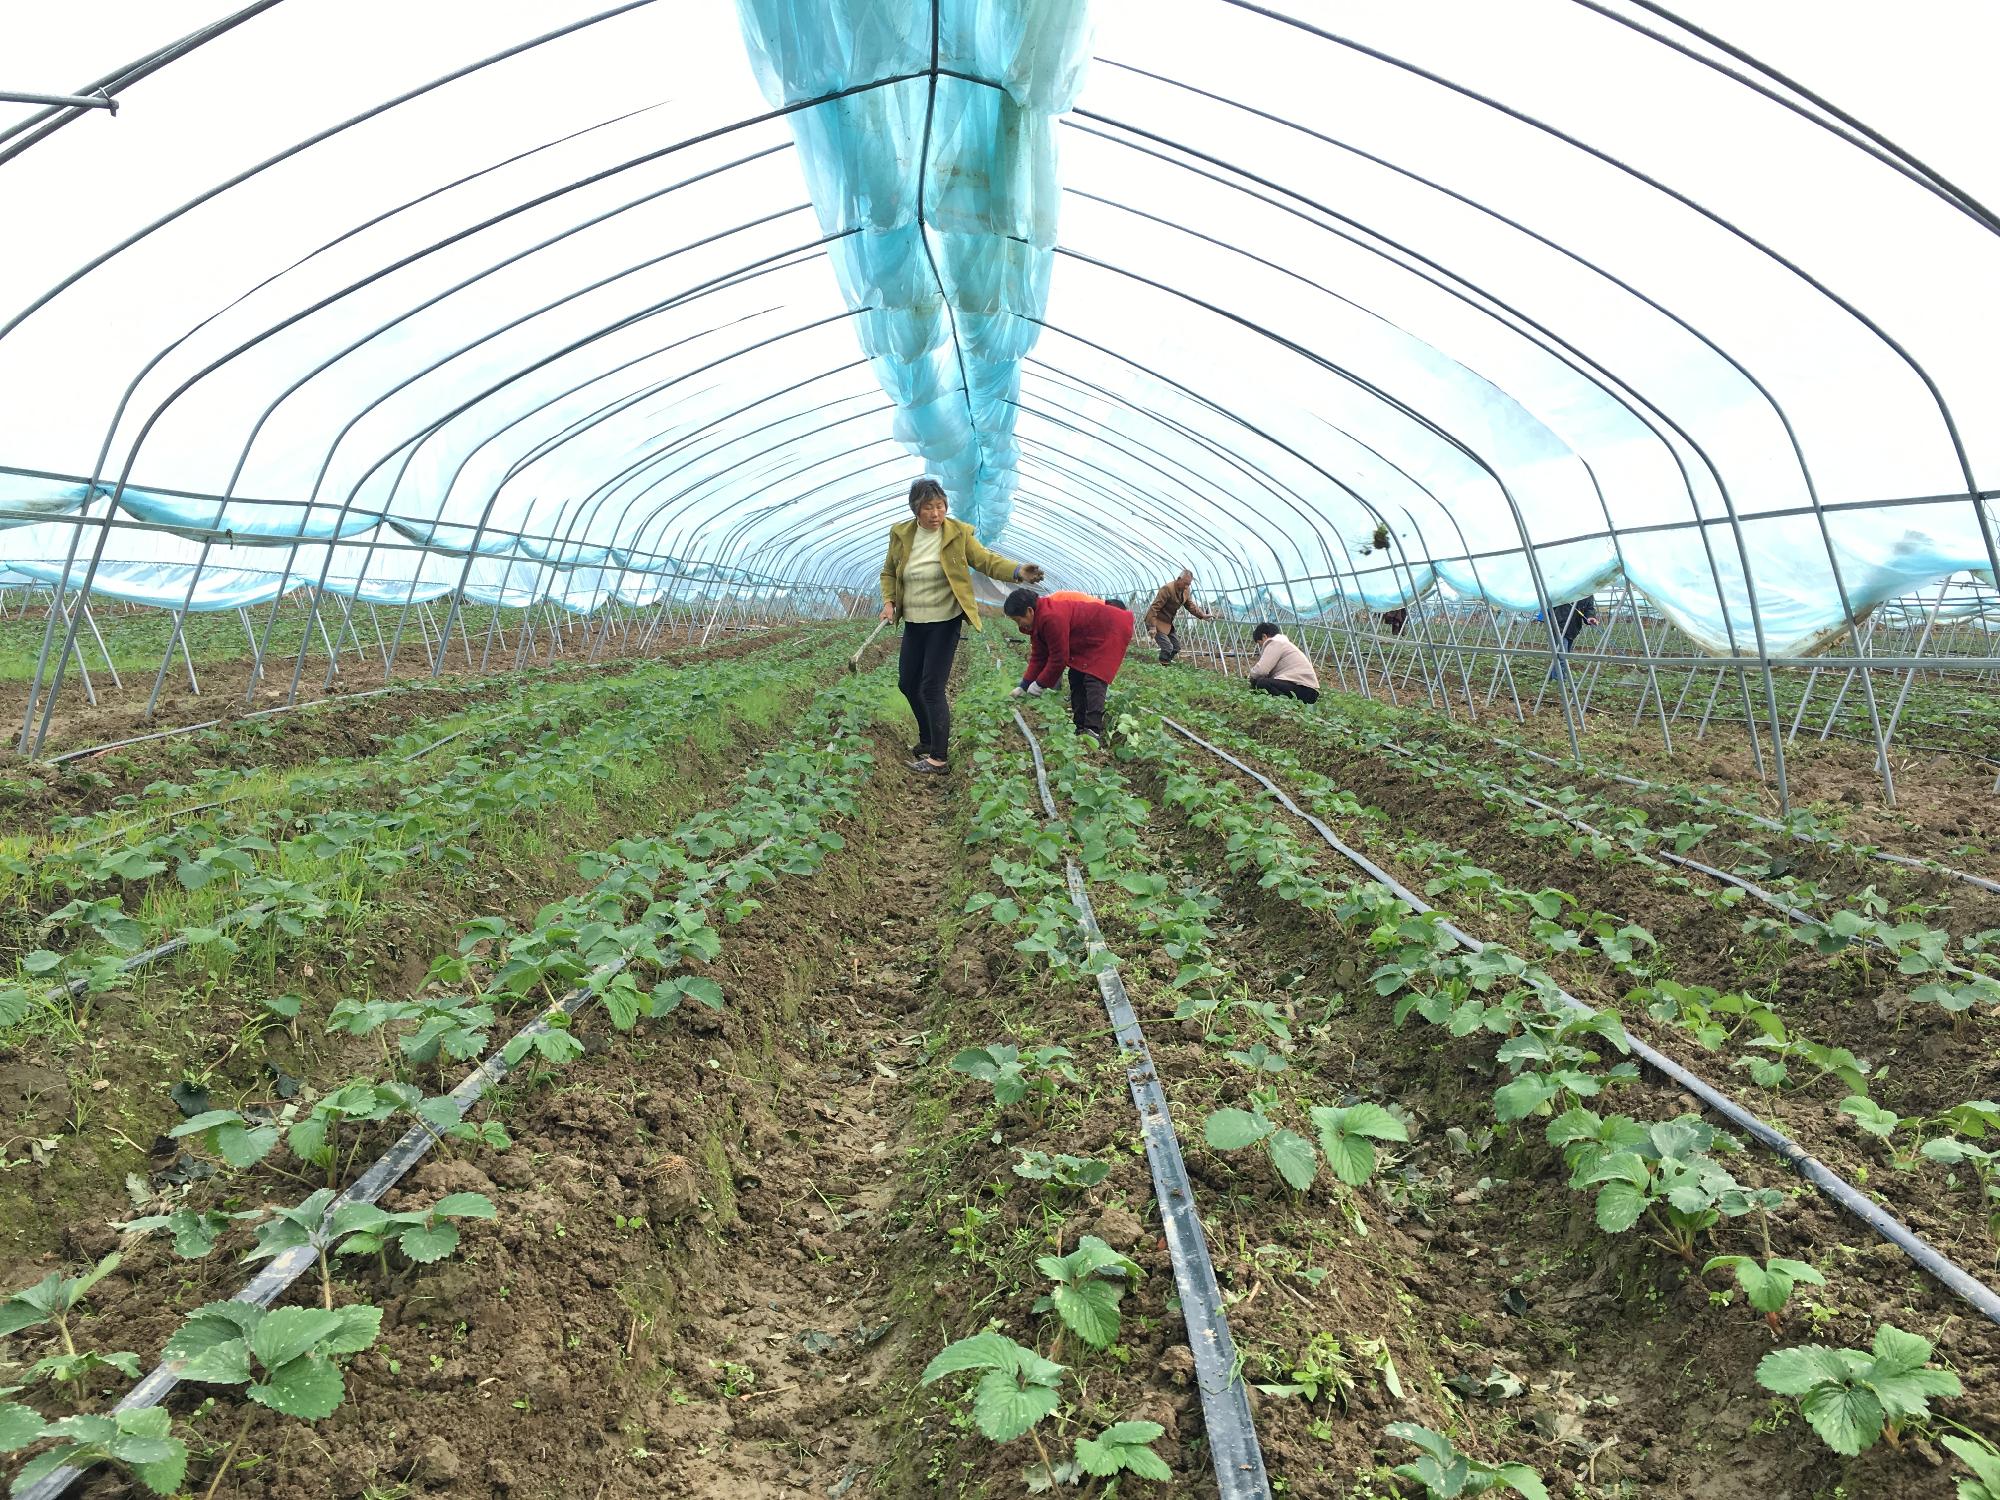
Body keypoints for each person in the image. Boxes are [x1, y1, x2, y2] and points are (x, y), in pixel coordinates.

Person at [879, 478, 1043, 774]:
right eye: (928, 507)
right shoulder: (901, 534)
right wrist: (889, 601)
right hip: (915, 620)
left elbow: (985, 561)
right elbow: (889, 572)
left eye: (940, 506)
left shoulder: (957, 533)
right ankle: (928, 739)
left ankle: (938, 758)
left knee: (931, 686)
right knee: (907, 683)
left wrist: (1018, 570)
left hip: (945, 619)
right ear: (915, 508)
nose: (935, 513)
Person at [1005, 589, 1135, 745]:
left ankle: (1093, 730)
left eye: (1018, 620)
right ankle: (1079, 726)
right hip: (1088, 635)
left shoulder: (1050, 617)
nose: (1019, 625)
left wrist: (1040, 684)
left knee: (1094, 677)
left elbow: (1059, 658)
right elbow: (1039, 656)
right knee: (1076, 675)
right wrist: (1024, 686)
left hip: (1109, 629)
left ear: (1029, 611)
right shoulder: (1038, 620)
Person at [1143, 569, 1211, 664]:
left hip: (1167, 622)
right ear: (1179, 579)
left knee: (1176, 647)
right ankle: (1162, 667)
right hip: (1156, 620)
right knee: (1167, 647)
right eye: (1185, 583)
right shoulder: (1167, 589)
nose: (1186, 586)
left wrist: (1202, 615)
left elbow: (1190, 605)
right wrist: (1152, 627)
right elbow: (1154, 608)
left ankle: (1166, 662)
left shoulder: (1186, 590)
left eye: (1189, 584)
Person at [1246, 623, 1320, 704]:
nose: (1261, 647)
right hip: (1306, 690)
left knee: (1262, 683)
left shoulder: (1275, 643)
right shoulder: (1283, 643)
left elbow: (1261, 670)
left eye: (1259, 643)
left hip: (1305, 691)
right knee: (1260, 682)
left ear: (1264, 636)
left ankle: (1287, 706)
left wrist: (1250, 677)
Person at [1547, 594, 1599, 680]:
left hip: (1572, 629)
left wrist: (1590, 617)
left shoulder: (1588, 592)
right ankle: (1560, 682)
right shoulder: (1566, 588)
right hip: (1559, 627)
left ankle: (1552, 678)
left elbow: (1589, 608)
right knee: (1562, 658)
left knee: (1561, 656)